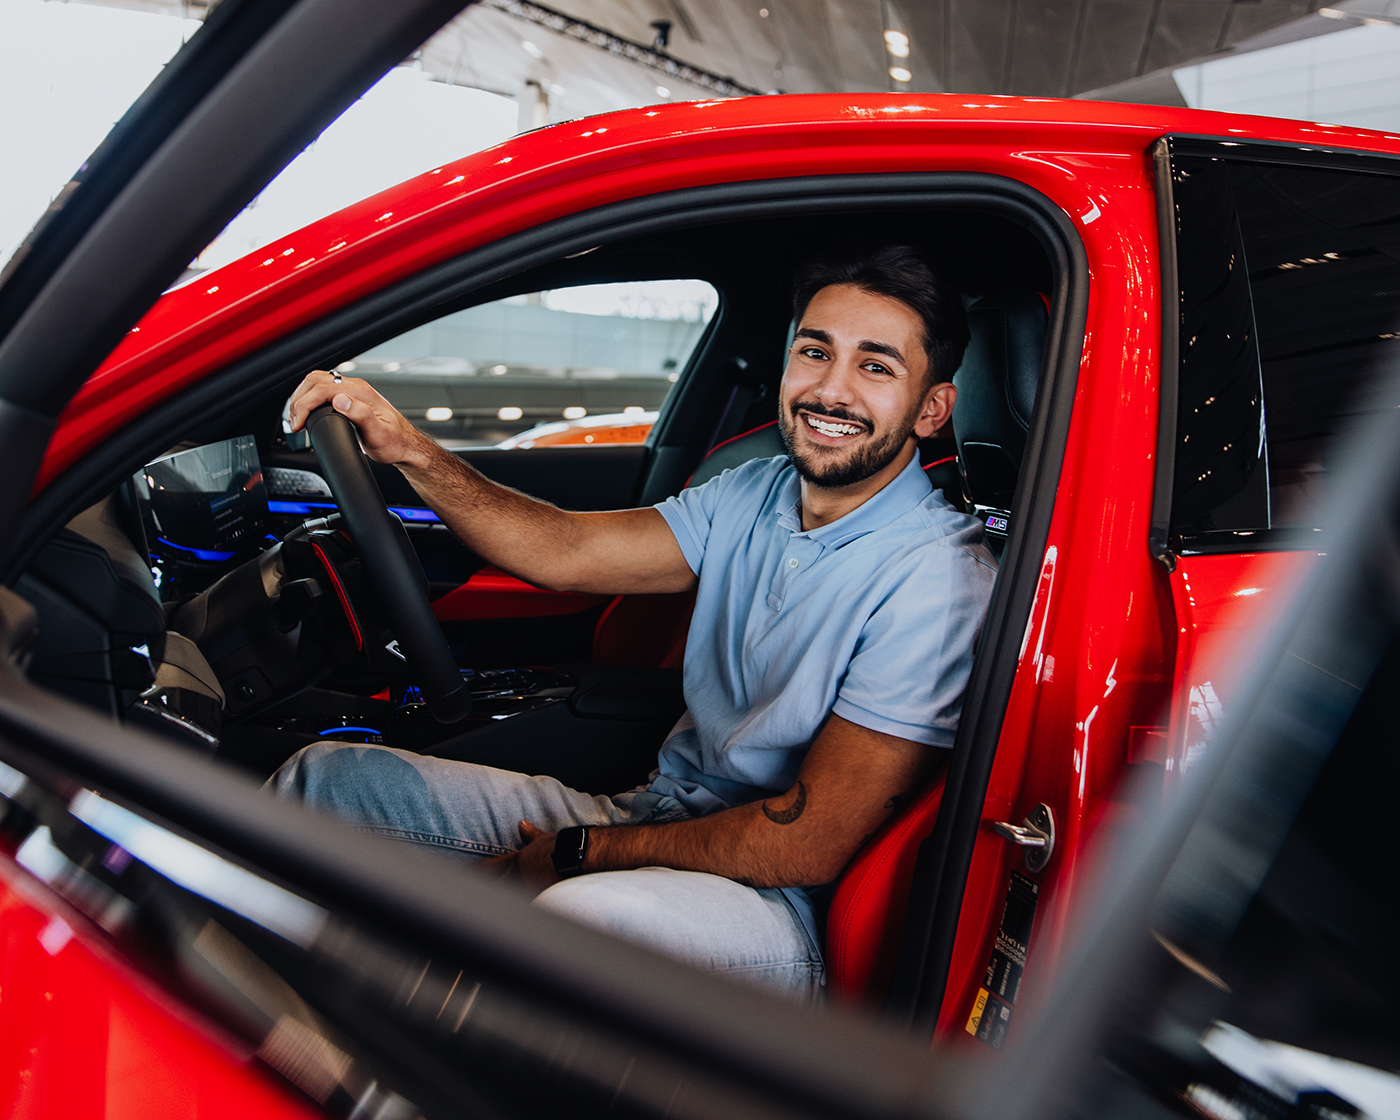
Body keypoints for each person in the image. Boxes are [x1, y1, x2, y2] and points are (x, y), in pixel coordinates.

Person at [272, 245, 997, 1002]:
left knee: (576, 923)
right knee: (326, 782)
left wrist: (578, 854)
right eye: (815, 352)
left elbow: (804, 845)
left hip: (782, 908)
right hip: (660, 812)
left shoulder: (937, 580)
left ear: (932, 409)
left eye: (875, 366)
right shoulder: (756, 491)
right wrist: (410, 451)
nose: (830, 389)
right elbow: (566, 549)